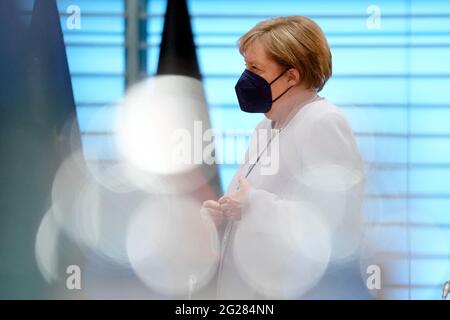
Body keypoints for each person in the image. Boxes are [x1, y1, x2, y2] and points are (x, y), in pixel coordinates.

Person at [201, 16, 369, 299]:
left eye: (256, 68)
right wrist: (221, 219)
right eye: (246, 67)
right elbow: (246, 202)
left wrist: (253, 205)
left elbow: (338, 226)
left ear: (292, 76)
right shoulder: (265, 128)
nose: (246, 78)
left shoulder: (324, 122)